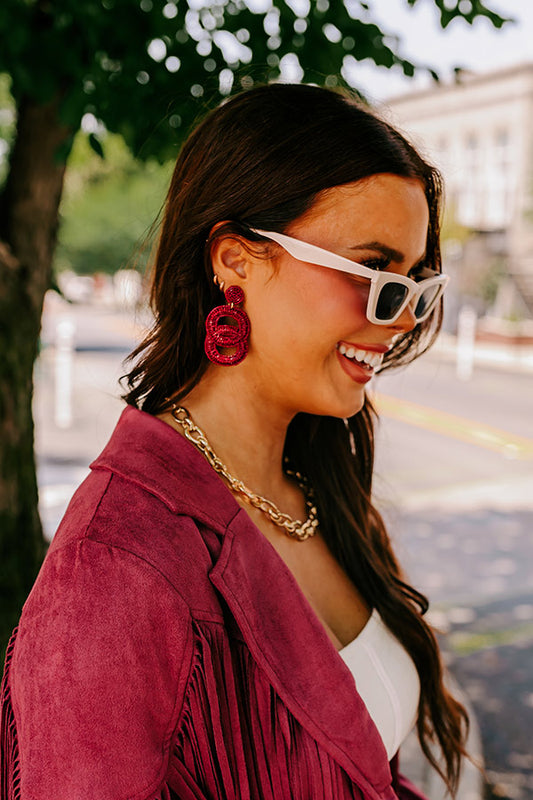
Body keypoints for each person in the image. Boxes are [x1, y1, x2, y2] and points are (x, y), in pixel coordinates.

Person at [1, 83, 468, 799]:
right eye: (373, 272)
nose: (399, 320)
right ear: (237, 261)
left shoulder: (317, 485)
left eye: (413, 286)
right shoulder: (115, 568)